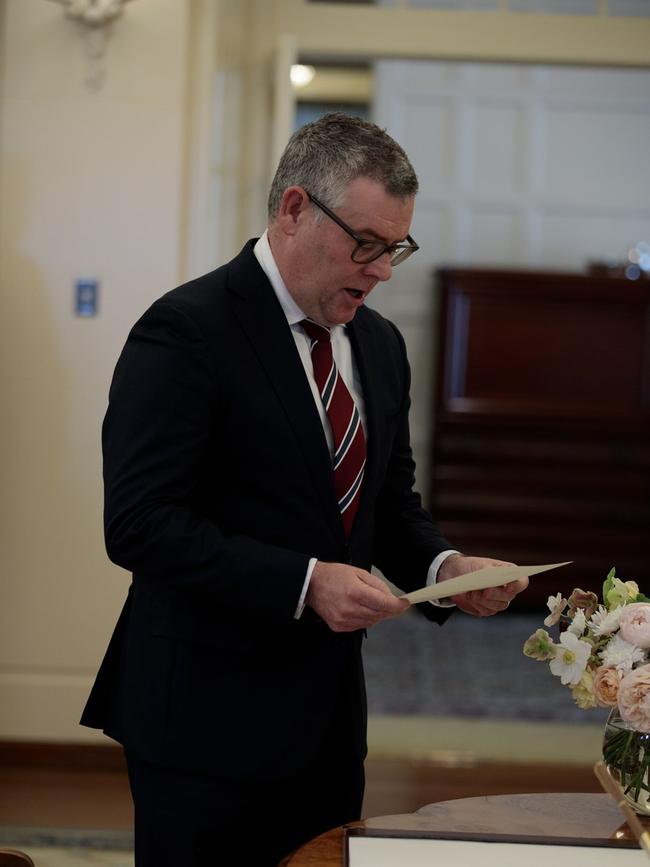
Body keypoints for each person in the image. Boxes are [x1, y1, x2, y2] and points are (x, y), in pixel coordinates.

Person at [81, 112, 528, 866]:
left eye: (397, 249)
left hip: (325, 722)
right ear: (294, 209)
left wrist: (444, 568)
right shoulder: (186, 329)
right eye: (366, 245)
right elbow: (138, 523)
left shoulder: (379, 346)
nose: (384, 270)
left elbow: (387, 503)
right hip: (202, 719)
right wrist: (307, 581)